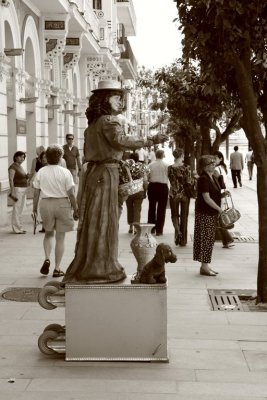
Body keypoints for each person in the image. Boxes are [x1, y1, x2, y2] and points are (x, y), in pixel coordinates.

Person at [62, 80, 167, 284]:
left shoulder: (93, 124)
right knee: (104, 221)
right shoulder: (109, 121)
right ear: (104, 99)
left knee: (96, 220)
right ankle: (101, 268)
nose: (121, 102)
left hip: (97, 174)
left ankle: (94, 263)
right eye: (116, 97)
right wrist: (150, 140)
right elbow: (122, 141)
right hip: (106, 174)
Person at [33, 145, 78, 278]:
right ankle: (57, 268)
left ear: (47, 157)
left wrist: (34, 209)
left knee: (48, 234)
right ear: (60, 157)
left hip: (46, 204)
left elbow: (36, 193)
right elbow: (71, 194)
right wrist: (76, 209)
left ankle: (47, 258)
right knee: (60, 238)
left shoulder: (41, 172)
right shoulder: (65, 172)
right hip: (62, 204)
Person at [193, 155, 226, 276]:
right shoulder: (203, 179)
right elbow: (206, 198)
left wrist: (223, 195)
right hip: (205, 212)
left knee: (209, 240)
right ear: (205, 166)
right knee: (206, 239)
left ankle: (205, 265)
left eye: (213, 163)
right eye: (210, 163)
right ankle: (204, 266)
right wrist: (219, 209)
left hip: (211, 212)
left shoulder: (213, 177)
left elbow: (213, 194)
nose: (213, 164)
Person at [168, 148, 191, 246]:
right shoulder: (187, 167)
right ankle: (183, 240)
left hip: (173, 193)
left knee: (174, 215)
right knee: (184, 216)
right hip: (184, 194)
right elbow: (189, 182)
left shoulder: (170, 168)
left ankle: (177, 232)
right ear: (181, 155)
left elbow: (171, 180)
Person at [213, 150, 235, 249]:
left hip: (218, 195)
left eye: (215, 158)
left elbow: (216, 183)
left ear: (220, 158)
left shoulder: (216, 169)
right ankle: (226, 240)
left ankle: (227, 239)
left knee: (218, 218)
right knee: (218, 217)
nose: (213, 160)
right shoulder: (223, 168)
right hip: (222, 194)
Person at [147, 149, 169, 236]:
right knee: (161, 209)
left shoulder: (150, 165)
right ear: (163, 155)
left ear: (155, 155)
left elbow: (147, 177)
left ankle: (151, 228)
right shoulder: (167, 165)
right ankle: (159, 230)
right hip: (163, 187)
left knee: (151, 207)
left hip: (152, 186)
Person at [125, 152, 148, 234]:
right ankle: (136, 228)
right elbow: (145, 180)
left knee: (129, 208)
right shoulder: (142, 166)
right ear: (138, 158)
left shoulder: (126, 166)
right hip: (139, 191)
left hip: (129, 191)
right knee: (137, 209)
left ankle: (131, 227)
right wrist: (145, 190)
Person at [8, 151, 30, 234]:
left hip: (23, 189)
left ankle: (19, 227)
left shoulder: (20, 167)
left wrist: (27, 176)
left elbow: (22, 177)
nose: (22, 158)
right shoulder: (13, 167)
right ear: (16, 157)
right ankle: (16, 228)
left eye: (23, 157)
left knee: (20, 209)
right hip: (17, 190)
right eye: (20, 156)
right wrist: (12, 191)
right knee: (17, 209)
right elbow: (11, 180)